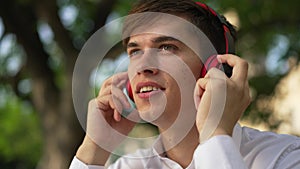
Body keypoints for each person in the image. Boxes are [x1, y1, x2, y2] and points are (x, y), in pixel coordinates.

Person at [69, 0, 300, 168]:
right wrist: (94, 149)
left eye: (167, 47)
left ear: (213, 69)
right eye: (135, 51)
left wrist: (215, 135)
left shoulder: (285, 157)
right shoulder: (129, 166)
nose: (142, 66)